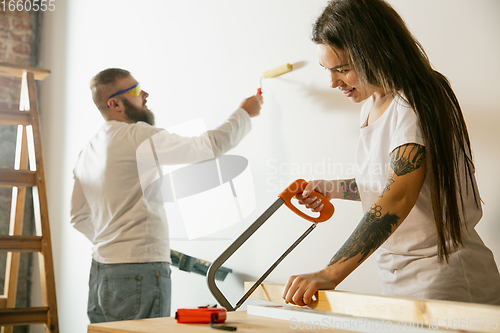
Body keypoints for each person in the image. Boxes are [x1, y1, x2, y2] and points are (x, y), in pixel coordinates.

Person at [283, 0, 500, 306]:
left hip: (446, 283)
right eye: (328, 70)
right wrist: (331, 188)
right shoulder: (371, 106)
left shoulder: (411, 102)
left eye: (343, 69)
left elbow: (398, 196)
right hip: (398, 280)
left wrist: (330, 272)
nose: (332, 82)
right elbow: (390, 184)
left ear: (373, 52)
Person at [70, 68, 263, 322]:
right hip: (139, 271)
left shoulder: (88, 151)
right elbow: (207, 147)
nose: (145, 94)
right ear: (115, 103)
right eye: (137, 91)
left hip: (101, 271)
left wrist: (117, 242)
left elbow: (78, 217)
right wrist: (245, 113)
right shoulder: (135, 136)